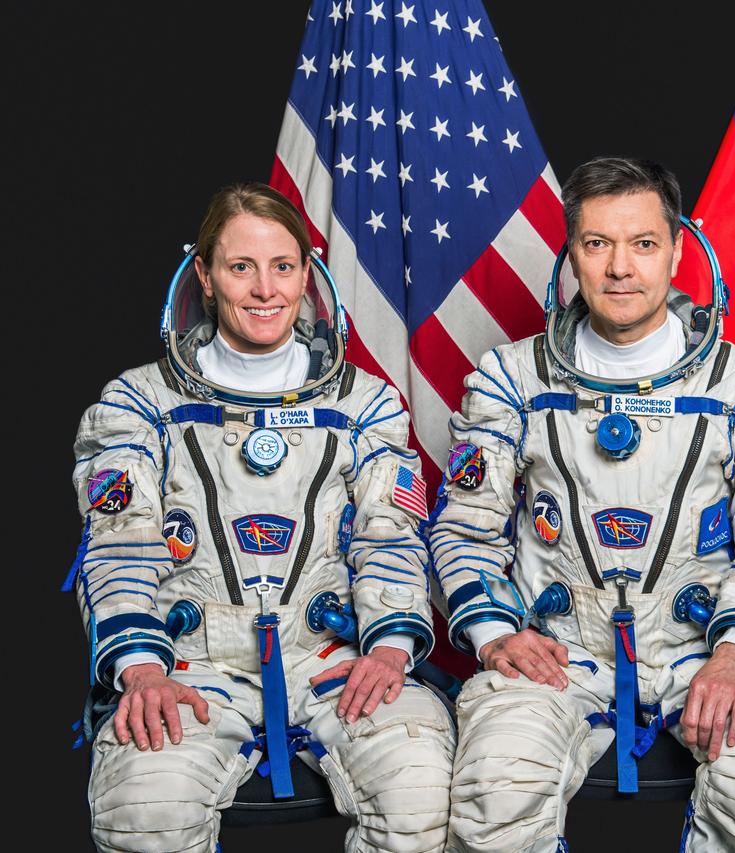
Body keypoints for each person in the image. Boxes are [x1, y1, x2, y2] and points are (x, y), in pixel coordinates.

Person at [432, 156, 735, 852]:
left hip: (704, 648)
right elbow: (464, 530)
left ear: (677, 251)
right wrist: (495, 633)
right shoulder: (510, 379)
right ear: (571, 255)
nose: (620, 268)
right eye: (597, 243)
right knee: (497, 792)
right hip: (560, 651)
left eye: (643, 243)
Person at [71, 183, 453, 852]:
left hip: (331, 656)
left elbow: (389, 534)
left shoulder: (364, 404)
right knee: (144, 808)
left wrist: (390, 646)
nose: (264, 288)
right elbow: (119, 545)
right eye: (240, 266)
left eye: (282, 266)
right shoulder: (138, 403)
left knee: (425, 785)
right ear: (206, 276)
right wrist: (141, 667)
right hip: (188, 664)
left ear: (308, 274)